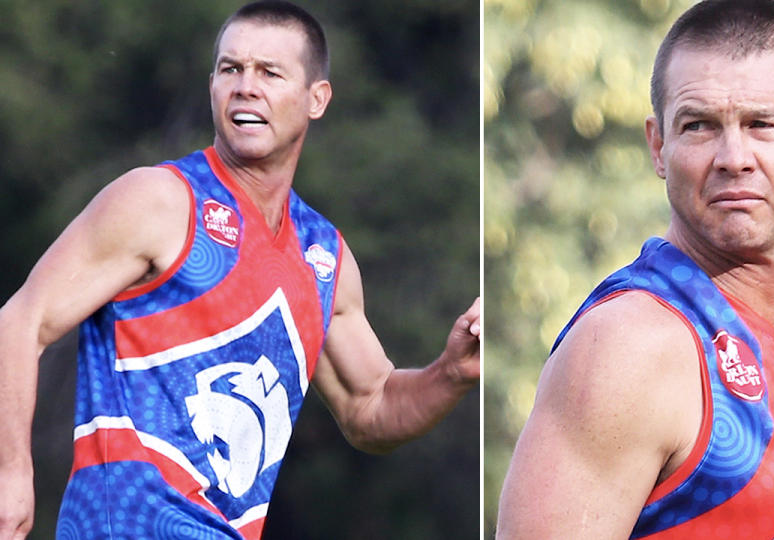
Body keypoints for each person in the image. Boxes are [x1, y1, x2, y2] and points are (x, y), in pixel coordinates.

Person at [0, 1, 479, 539]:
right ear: (212, 87)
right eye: (232, 69)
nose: (246, 86)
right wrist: (11, 472)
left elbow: (371, 406)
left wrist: (452, 373)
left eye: (270, 73)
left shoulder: (325, 259)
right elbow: (19, 323)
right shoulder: (159, 201)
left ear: (316, 99)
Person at [496, 0, 774, 538]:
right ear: (658, 146)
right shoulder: (628, 347)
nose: (733, 157)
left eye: (762, 124)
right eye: (699, 126)